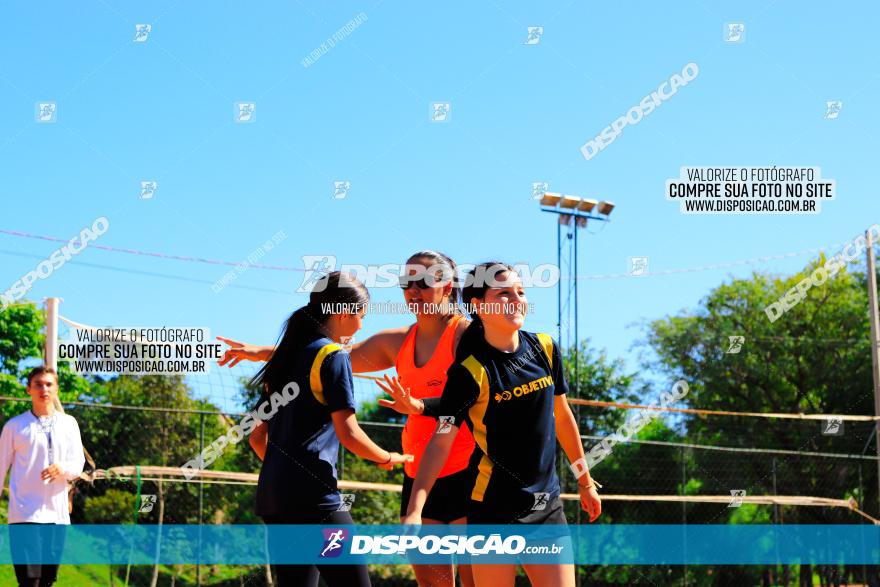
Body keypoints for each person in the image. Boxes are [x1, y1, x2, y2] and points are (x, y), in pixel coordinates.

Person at [220, 251, 476, 587]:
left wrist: (418, 406)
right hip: (418, 475)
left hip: (467, 471)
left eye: (424, 281)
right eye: (406, 283)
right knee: (433, 583)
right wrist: (262, 351)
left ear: (447, 286)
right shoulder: (396, 341)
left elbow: (482, 397)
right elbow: (328, 354)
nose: (413, 290)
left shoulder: (467, 336)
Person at [397, 262, 602, 587]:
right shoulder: (470, 371)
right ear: (478, 306)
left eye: (520, 292)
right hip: (493, 510)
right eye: (504, 294)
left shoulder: (544, 348)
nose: (516, 300)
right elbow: (442, 439)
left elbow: (562, 417)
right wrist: (414, 509)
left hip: (546, 505)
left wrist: (585, 481)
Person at [247, 271, 411, 587]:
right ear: (340, 312)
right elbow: (349, 433)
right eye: (360, 316)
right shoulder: (332, 356)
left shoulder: (284, 359)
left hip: (274, 498)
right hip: (314, 501)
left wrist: (284, 473)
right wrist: (388, 457)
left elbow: (257, 436)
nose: (361, 325)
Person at [0, 366, 85, 587]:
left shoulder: (69, 424)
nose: (43, 389)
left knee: (47, 581)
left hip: (57, 517)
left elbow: (77, 465)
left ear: (56, 390)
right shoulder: (15, 426)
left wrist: (62, 468)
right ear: (29, 389)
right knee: (30, 582)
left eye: (49, 384)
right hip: (24, 514)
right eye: (38, 384)